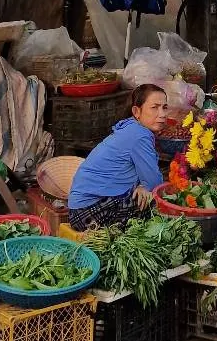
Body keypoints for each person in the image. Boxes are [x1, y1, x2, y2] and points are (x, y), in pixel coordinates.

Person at [67, 83, 167, 231]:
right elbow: (155, 183)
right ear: (136, 111)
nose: (162, 114)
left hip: (78, 208)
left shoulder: (130, 127)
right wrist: (146, 186)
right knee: (157, 202)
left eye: (164, 107)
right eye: (154, 107)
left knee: (145, 194)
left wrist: (143, 185)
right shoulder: (139, 135)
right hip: (86, 214)